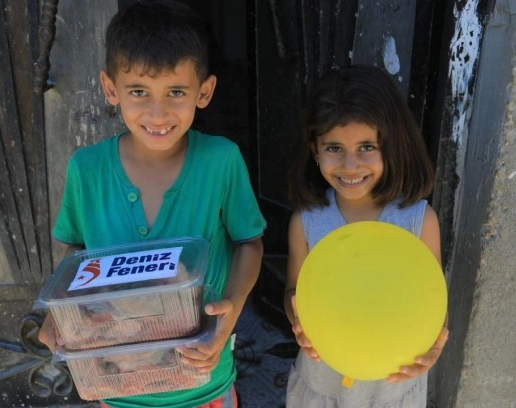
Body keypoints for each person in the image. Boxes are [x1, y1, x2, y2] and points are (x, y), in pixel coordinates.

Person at [38, 1, 267, 407]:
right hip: (116, 383)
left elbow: (249, 242)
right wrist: (59, 313)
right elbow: (75, 250)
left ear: (204, 92)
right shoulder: (87, 169)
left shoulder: (220, 161)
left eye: (176, 92)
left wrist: (229, 313)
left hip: (203, 384)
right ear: (111, 89)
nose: (158, 113)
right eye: (139, 92)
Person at [283, 65, 449, 407]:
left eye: (366, 147)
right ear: (315, 150)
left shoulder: (418, 222)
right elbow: (293, 291)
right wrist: (298, 320)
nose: (350, 165)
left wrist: (434, 347)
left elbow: (432, 301)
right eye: (334, 148)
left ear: (391, 146)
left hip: (392, 391)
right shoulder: (307, 222)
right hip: (322, 388)